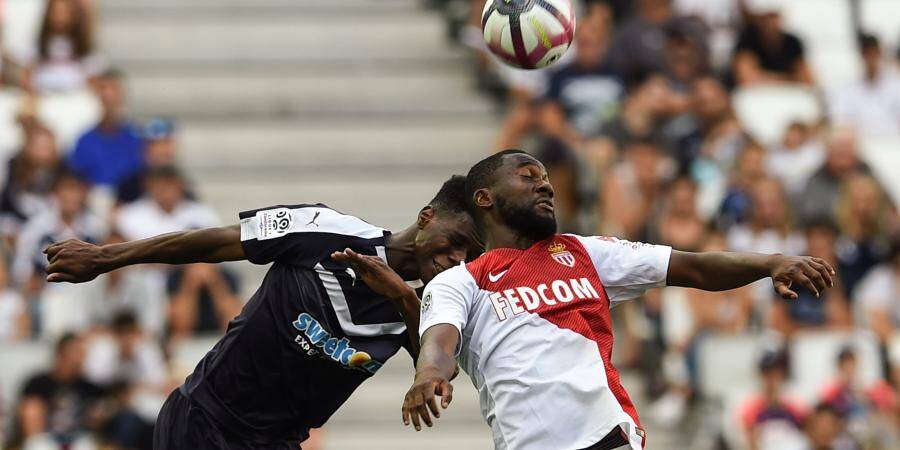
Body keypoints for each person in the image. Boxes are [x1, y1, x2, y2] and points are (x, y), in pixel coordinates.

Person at [403, 150, 835, 449]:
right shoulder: (460, 282)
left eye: (548, 179)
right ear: (485, 198)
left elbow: (695, 267)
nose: (546, 187)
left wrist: (771, 263)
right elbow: (440, 344)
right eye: (528, 177)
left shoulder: (585, 253)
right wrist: (427, 376)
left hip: (608, 437)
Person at [43, 175, 483, 449]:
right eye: (456, 240)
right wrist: (106, 258)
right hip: (204, 418)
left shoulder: (436, 305)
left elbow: (437, 367)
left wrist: (401, 297)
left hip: (276, 441)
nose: (458, 259)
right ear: (427, 217)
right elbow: (216, 242)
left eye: (471, 253)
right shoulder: (324, 228)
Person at [13, 333, 105, 449]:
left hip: (79, 439)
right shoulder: (37, 383)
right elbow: (30, 421)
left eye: (83, 353)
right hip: (45, 438)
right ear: (60, 354)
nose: (81, 358)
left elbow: (97, 423)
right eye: (76, 352)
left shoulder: (91, 387)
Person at [68, 69, 144, 188]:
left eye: (114, 89)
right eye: (103, 89)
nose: (108, 95)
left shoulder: (138, 138)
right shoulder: (84, 141)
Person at [23, 0, 104, 93]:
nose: (60, 17)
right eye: (55, 12)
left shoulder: (84, 45)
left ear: (74, 14)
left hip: (75, 98)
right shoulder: (38, 43)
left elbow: (93, 78)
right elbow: (27, 73)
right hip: (44, 96)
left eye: (65, 12)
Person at [731, 0, 813, 86]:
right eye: (766, 17)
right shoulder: (748, 40)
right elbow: (747, 78)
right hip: (758, 95)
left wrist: (768, 78)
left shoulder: (792, 42)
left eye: (773, 16)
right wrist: (790, 79)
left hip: (788, 95)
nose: (770, 22)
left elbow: (807, 79)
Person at [738, 350, 808, 450]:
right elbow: (750, 442)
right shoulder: (750, 409)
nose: (773, 377)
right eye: (768, 373)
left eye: (776, 372)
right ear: (761, 375)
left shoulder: (795, 406)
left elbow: (804, 436)